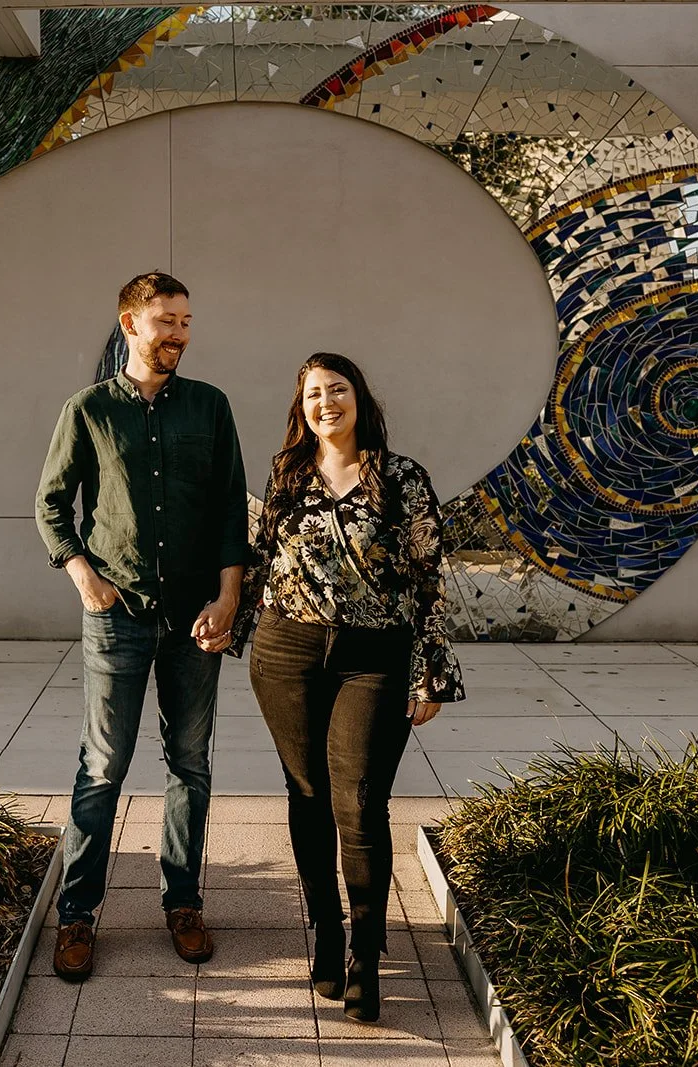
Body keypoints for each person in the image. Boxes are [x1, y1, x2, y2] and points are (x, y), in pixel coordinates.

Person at [227, 352, 465, 1022]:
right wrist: (227, 619)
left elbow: (429, 578)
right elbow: (260, 558)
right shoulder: (287, 473)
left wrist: (431, 670)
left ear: (359, 398)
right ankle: (326, 931)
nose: (325, 402)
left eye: (337, 389)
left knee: (358, 801)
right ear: (299, 407)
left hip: (374, 656)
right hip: (287, 650)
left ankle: (366, 950)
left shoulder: (400, 476)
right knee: (305, 795)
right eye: (312, 393)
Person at [35, 272, 249, 982]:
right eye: (166, 320)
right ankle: (77, 915)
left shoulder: (211, 408)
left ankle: (183, 903)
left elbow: (228, 511)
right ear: (129, 323)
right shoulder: (89, 409)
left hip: (196, 617)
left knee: (191, 763)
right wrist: (84, 577)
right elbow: (52, 504)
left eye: (186, 320)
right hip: (117, 613)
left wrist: (229, 598)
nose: (180, 333)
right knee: (103, 768)